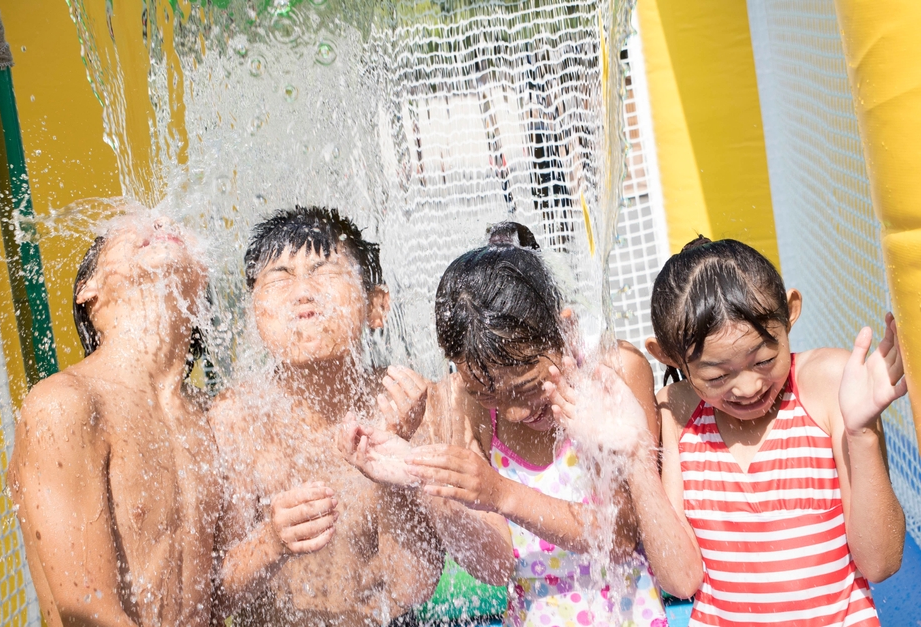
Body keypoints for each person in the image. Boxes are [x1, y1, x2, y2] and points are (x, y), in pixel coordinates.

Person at [343, 222, 668, 627]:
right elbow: (496, 569)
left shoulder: (614, 373)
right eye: (489, 394)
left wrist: (501, 493)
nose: (513, 412)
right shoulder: (461, 400)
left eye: (529, 386)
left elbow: (620, 535)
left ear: (565, 328)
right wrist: (421, 477)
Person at [209, 207, 510, 626]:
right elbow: (208, 599)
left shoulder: (424, 403)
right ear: (252, 312)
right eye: (279, 276)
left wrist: (404, 474)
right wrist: (270, 543)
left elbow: (451, 578)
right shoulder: (231, 421)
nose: (302, 293)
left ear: (377, 305)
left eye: (323, 271)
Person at [631, 236, 906, 626]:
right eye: (717, 375)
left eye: (763, 360)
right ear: (669, 357)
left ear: (790, 311)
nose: (747, 387)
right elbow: (680, 580)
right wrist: (635, 461)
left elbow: (881, 562)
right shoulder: (676, 410)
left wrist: (862, 434)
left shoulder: (830, 386)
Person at [9, 212, 221, 626]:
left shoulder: (210, 415)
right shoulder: (65, 405)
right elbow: (87, 610)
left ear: (198, 290)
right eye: (135, 228)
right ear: (89, 292)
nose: (159, 222)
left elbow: (221, 594)